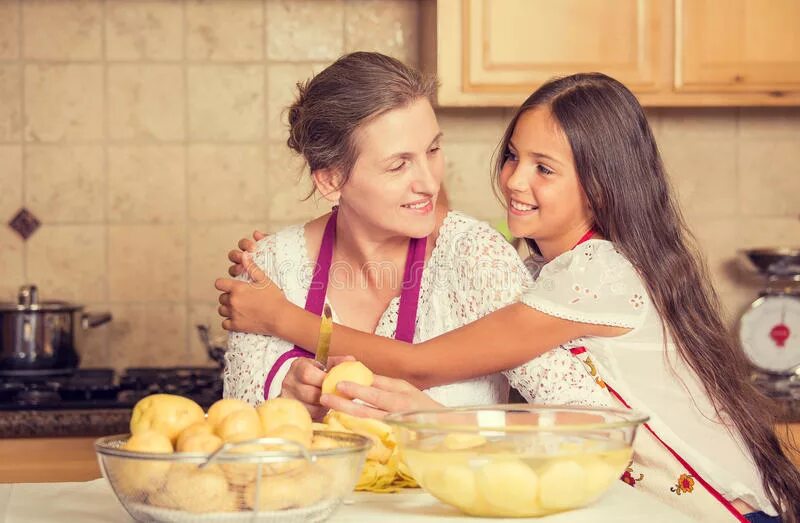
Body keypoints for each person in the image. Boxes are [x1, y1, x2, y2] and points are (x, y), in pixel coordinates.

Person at [217, 72, 800, 522]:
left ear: (602, 185)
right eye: (514, 157)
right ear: (330, 179)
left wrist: (284, 319)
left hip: (712, 507)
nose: (515, 180)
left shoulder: (596, 271)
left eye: (544, 168)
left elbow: (423, 366)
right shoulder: (545, 267)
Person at [221, 52, 606, 420]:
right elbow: (235, 441)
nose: (428, 182)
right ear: (332, 180)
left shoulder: (475, 257)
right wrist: (284, 402)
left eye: (433, 149)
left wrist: (437, 424)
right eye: (398, 165)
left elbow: (587, 419)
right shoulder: (269, 270)